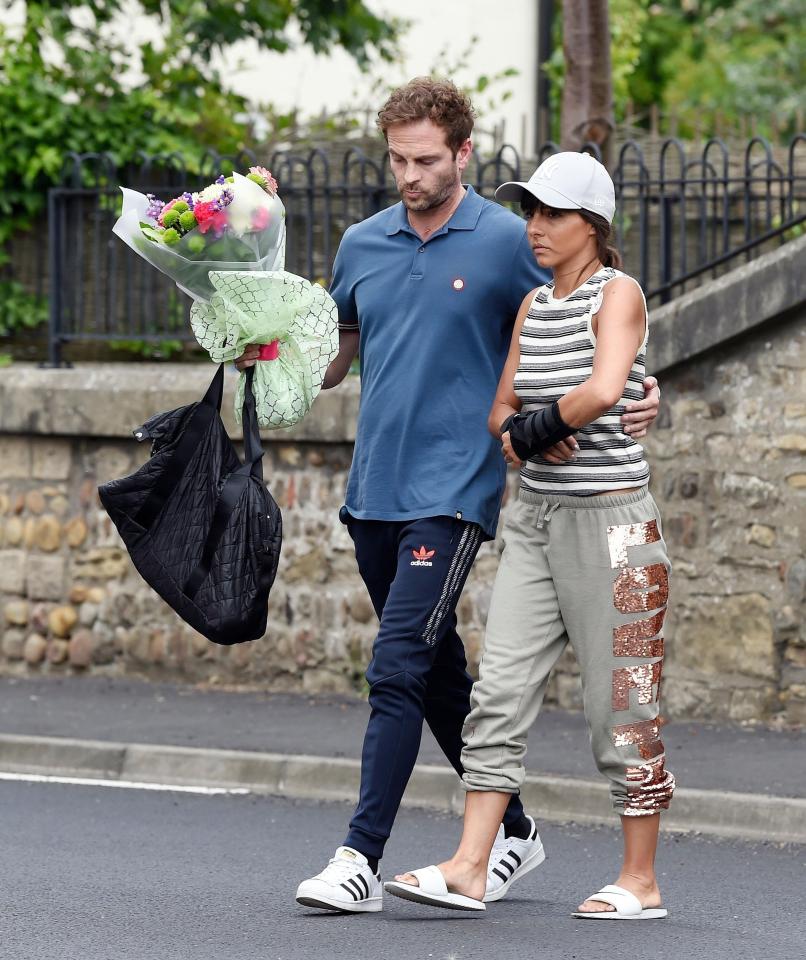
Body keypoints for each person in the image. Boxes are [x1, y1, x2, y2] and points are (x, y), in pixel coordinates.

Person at [236, 80, 661, 914]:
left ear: (462, 153)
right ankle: (516, 834)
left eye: (426, 160)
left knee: (395, 664)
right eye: (397, 159)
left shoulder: (512, 239)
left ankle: (358, 858)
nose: (410, 175)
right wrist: (250, 312)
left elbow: (600, 317)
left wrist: (645, 393)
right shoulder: (362, 242)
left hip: (456, 491)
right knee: (437, 672)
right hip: (374, 492)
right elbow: (330, 356)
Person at [385, 151, 674, 919]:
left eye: (552, 214)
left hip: (614, 526)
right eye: (530, 212)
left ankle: (640, 880)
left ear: (594, 226)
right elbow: (498, 408)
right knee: (500, 693)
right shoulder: (535, 306)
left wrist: (539, 426)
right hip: (536, 521)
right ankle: (471, 865)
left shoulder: (619, 295)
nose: (535, 227)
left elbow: (609, 386)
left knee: (624, 704)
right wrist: (522, 431)